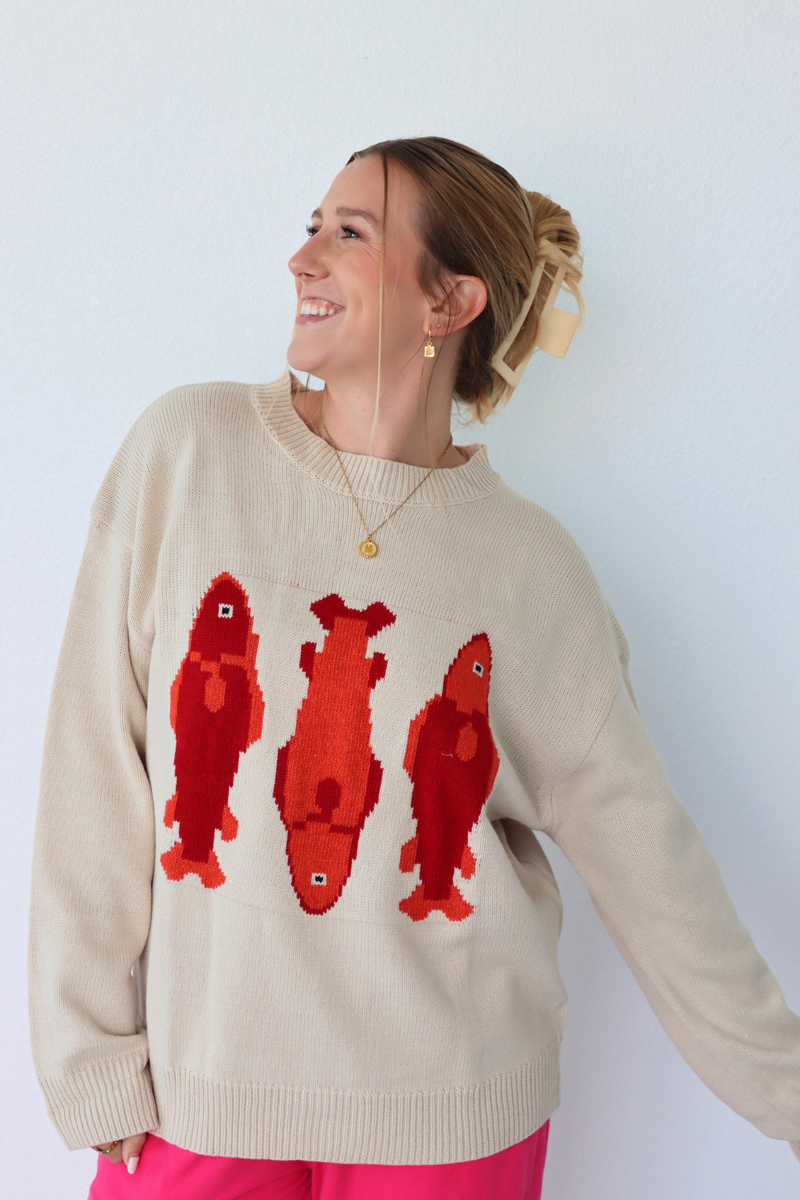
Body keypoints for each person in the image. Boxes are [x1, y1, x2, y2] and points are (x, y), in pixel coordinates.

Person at [28, 136, 800, 1200]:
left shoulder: (530, 571)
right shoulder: (185, 454)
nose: (302, 258)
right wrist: (88, 1055)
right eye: (310, 227)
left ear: (450, 303)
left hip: (447, 1119)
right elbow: (91, 768)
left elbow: (652, 869)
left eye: (347, 234)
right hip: (203, 1098)